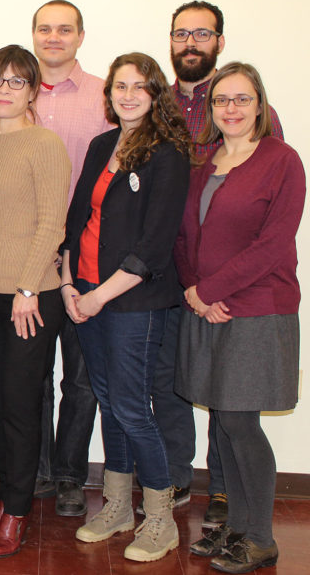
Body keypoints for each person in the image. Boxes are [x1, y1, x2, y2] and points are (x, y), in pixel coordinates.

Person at [160, 1, 287, 526]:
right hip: (177, 280)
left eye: (202, 34)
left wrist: (213, 289)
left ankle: (233, 506)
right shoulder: (164, 111)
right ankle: (181, 483)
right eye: (181, 33)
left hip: (240, 294)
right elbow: (176, 214)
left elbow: (270, 226)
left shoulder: (268, 139)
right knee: (184, 386)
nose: (191, 42)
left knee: (231, 408)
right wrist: (193, 285)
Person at [62, 52, 191, 563]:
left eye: (141, 86)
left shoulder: (167, 154)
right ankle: (116, 505)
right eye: (121, 86)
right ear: (109, 94)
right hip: (86, 291)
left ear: (155, 94)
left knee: (134, 408)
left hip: (133, 301)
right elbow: (76, 220)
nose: (129, 94)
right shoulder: (100, 145)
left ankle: (159, 518)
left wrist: (96, 296)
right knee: (109, 403)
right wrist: (70, 283)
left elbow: (154, 247)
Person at [176, 62, 304, 574]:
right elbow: (186, 236)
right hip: (207, 308)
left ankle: (261, 538)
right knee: (226, 424)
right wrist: (193, 290)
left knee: (239, 423)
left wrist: (208, 290)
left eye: (242, 99)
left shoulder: (282, 160)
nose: (231, 109)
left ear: (260, 105)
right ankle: (235, 528)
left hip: (257, 309)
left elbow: (273, 244)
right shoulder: (204, 163)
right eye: (222, 100)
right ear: (211, 109)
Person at [0, 45, 69, 559]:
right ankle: (6, 497)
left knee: (23, 407)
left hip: (32, 298)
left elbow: (53, 222)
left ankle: (19, 511)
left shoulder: (44, 144)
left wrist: (28, 288)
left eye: (15, 82)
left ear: (32, 89)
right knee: (0, 407)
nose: (4, 89)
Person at [26, 0, 115, 514]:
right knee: (31, 373)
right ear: (34, 35)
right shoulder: (13, 93)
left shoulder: (107, 97)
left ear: (80, 36)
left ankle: (68, 476)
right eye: (45, 29)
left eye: (64, 30)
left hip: (87, 256)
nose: (53, 37)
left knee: (80, 379)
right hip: (31, 260)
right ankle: (35, 472)